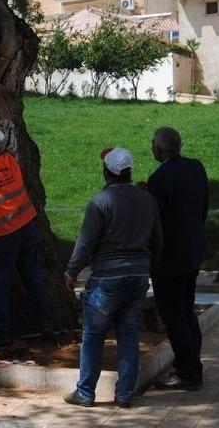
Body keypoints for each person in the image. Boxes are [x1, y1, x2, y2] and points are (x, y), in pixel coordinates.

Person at [62, 147, 163, 409]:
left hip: (107, 279)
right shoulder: (147, 200)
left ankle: (85, 393)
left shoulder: (100, 201)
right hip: (138, 276)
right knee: (129, 336)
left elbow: (85, 243)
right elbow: (158, 241)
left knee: (93, 336)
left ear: (107, 171)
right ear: (128, 172)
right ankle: (125, 395)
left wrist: (72, 272)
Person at [0, 87, 55, 347]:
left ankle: (2, 335)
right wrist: (2, 97)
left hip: (1, 236)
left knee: (1, 284)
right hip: (26, 226)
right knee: (32, 275)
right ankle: (47, 323)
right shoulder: (12, 158)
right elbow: (9, 125)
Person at [147, 127, 210, 391]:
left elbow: (154, 219)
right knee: (186, 310)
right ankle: (194, 366)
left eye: (153, 144)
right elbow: (202, 206)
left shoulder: (159, 178)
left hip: (169, 258)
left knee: (174, 316)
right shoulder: (196, 168)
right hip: (193, 252)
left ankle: (187, 372)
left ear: (159, 149)